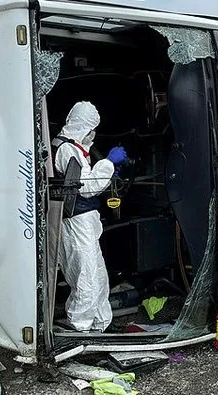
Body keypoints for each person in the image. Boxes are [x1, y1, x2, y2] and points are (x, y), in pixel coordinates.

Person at [54, 101, 128, 332]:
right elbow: (85, 187)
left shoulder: (72, 147)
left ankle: (100, 324)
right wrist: (108, 163)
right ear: (84, 126)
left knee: (98, 276)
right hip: (76, 222)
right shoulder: (67, 150)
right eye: (91, 129)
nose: (92, 134)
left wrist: (108, 172)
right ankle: (79, 328)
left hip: (84, 221)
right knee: (85, 279)